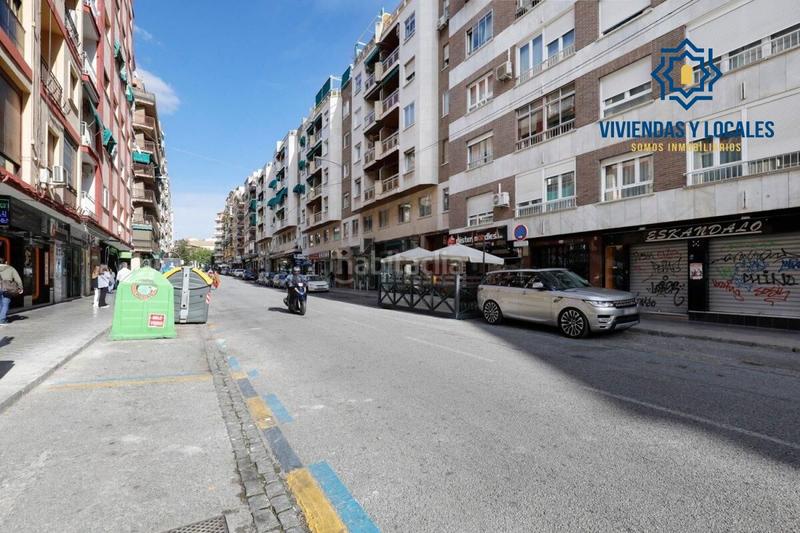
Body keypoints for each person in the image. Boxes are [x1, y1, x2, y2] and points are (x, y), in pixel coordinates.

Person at [0, 257, 23, 325]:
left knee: (1, 304)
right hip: (7, 288)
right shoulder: (11, 268)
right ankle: (2, 319)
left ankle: (1, 317)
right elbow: (17, 279)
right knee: (5, 303)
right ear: (6, 262)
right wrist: (20, 287)